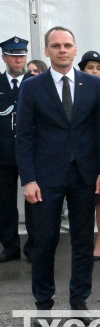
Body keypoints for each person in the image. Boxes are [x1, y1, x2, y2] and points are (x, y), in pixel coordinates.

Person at [16, 26, 100, 322]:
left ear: (76, 49)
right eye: (56, 46)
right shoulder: (32, 86)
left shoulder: (92, 85)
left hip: (84, 176)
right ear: (46, 51)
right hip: (45, 179)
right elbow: (24, 136)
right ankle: (44, 305)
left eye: (68, 45)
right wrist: (28, 178)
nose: (62, 50)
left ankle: (79, 301)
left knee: (83, 241)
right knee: (44, 241)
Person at [76, 51, 100, 260]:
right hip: (80, 153)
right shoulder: (74, 89)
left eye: (99, 68)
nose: (94, 71)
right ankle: (83, 242)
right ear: (82, 70)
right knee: (82, 201)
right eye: (90, 68)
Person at [0, 36, 33, 263]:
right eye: (13, 55)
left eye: (21, 55)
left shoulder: (37, 83)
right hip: (3, 153)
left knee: (34, 201)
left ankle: (34, 247)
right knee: (4, 203)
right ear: (4, 58)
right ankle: (10, 246)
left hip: (31, 153)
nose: (18, 59)